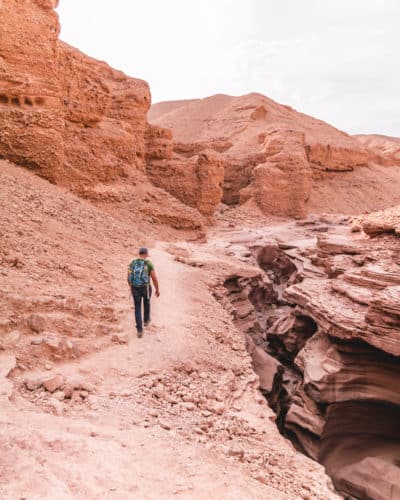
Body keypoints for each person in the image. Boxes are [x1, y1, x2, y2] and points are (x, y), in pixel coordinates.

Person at [127, 247, 160, 337]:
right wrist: (157, 289)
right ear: (146, 254)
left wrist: (131, 287)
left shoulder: (132, 263)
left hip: (135, 288)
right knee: (147, 302)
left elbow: (129, 276)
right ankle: (146, 320)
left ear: (139, 253)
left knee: (137, 307)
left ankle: (139, 330)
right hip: (146, 287)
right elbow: (154, 277)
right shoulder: (148, 264)